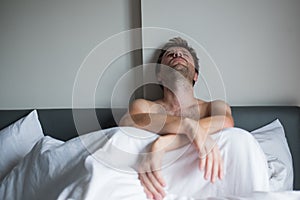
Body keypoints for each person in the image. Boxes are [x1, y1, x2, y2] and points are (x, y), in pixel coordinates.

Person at [120, 37, 234, 200]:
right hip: (155, 181)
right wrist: (187, 125)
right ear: (159, 75)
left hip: (201, 177)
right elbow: (128, 122)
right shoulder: (144, 106)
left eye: (184, 55)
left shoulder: (213, 106)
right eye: (171, 55)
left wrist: (164, 143)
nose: (177, 55)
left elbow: (226, 122)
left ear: (195, 75)